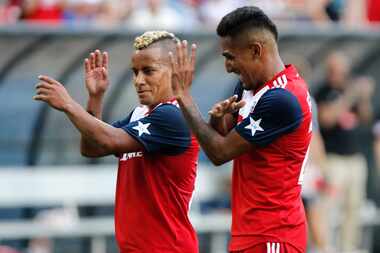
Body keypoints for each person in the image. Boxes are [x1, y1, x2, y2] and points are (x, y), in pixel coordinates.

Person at [33, 31, 200, 253]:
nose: (139, 81)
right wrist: (95, 98)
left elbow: (109, 140)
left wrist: (68, 105)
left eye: (148, 71)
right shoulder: (139, 114)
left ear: (174, 72)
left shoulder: (173, 115)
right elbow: (92, 148)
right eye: (135, 72)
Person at [169, 6, 312, 253]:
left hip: (274, 235)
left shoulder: (284, 98)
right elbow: (225, 138)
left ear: (256, 50)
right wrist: (217, 121)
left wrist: (183, 96)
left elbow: (219, 152)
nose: (228, 67)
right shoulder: (250, 87)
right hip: (250, 232)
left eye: (230, 57)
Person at [315, 51, 373, 251]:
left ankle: (349, 247)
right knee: (328, 208)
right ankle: (326, 247)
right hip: (334, 159)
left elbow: (366, 119)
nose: (336, 74)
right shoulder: (323, 91)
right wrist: (351, 95)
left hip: (355, 158)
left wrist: (364, 97)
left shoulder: (352, 91)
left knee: (353, 208)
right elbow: (327, 119)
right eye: (332, 70)